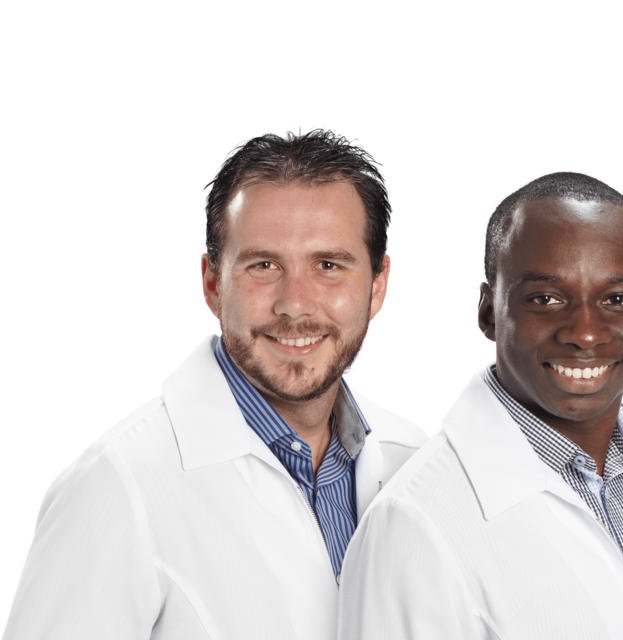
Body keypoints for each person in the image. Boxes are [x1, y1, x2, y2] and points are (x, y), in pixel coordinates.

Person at [4, 127, 429, 639]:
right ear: (212, 282)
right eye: (264, 265)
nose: (295, 304)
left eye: (328, 265)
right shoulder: (117, 485)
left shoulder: (414, 460)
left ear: (378, 285)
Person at [337, 171, 623, 640]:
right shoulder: (412, 524)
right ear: (489, 311)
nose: (585, 333)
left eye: (616, 299)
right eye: (546, 299)